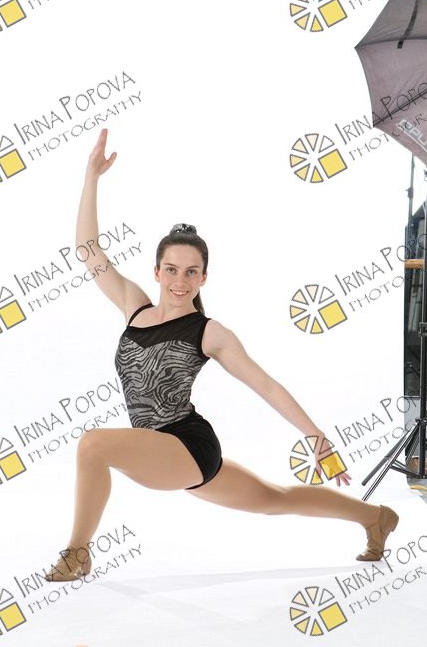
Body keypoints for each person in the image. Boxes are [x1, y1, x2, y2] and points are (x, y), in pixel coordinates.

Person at [44, 129, 399, 582]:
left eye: (191, 272)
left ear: (203, 278)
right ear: (157, 272)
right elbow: (88, 251)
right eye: (172, 269)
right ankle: (376, 518)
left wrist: (315, 436)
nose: (180, 280)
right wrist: (91, 177)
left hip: (187, 446)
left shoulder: (209, 332)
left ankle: (77, 553)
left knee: (93, 445)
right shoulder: (133, 306)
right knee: (276, 499)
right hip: (159, 449)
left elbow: (265, 384)